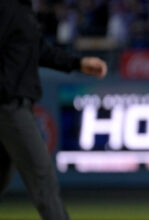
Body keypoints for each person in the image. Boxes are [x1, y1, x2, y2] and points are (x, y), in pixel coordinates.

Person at [0, 0, 107, 219]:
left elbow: (41, 51)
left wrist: (78, 63)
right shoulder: (7, 8)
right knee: (43, 180)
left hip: (12, 106)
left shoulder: (22, 10)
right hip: (9, 108)